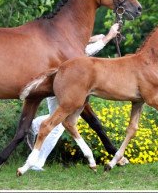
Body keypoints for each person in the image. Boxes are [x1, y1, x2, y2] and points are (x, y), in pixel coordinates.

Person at [27, 23, 128, 171]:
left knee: (60, 120)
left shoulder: (61, 35)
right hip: (65, 82)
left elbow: (79, 47)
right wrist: (108, 37)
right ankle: (37, 160)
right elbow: (82, 55)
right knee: (57, 124)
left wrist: (94, 38)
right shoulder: (65, 40)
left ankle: (34, 126)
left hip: (63, 81)